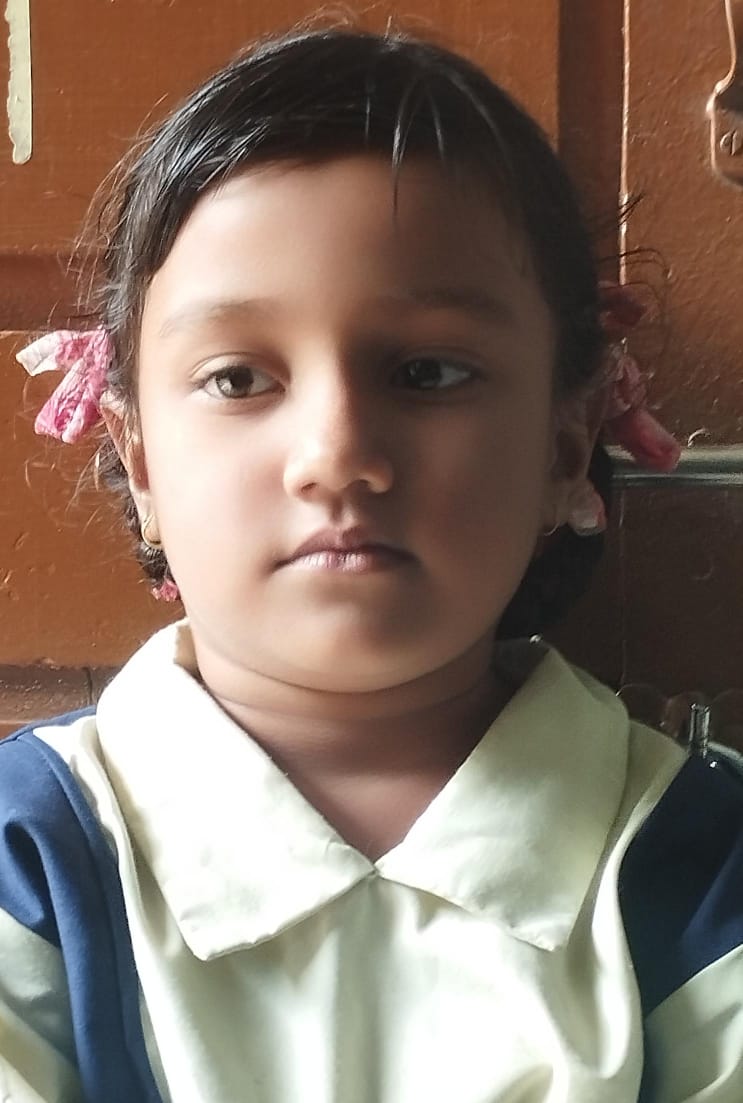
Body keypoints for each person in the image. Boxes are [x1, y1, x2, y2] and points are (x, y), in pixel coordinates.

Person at [1, 26, 741, 1103]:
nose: (336, 451)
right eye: (239, 378)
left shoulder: (699, 859)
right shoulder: (31, 859)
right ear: (141, 459)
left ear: (562, 444)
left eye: (427, 371)